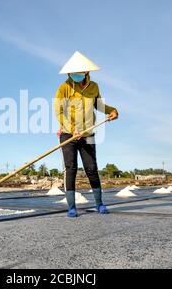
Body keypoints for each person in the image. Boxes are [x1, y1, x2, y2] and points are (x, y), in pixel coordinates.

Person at [54, 51, 118, 218]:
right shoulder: (64, 88)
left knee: (91, 168)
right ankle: (72, 207)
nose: (74, 75)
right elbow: (59, 112)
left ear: (86, 72)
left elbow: (99, 105)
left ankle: (99, 204)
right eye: (72, 73)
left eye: (77, 73)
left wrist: (112, 111)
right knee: (71, 168)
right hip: (69, 135)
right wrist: (71, 128)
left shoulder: (94, 86)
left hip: (88, 132)